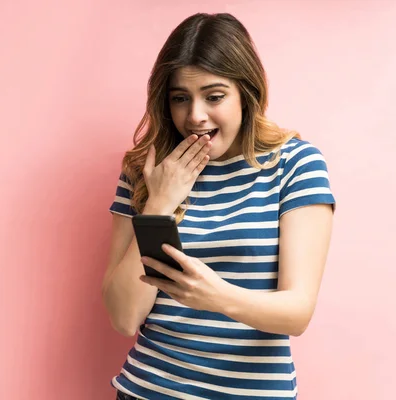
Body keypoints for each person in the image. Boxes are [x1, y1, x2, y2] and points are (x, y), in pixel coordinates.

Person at [101, 12, 336, 400]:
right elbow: (124, 318)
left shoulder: (295, 165)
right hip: (146, 390)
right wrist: (160, 201)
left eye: (214, 96)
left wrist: (213, 295)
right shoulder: (145, 171)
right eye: (180, 98)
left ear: (246, 92)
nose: (195, 116)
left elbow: (297, 313)